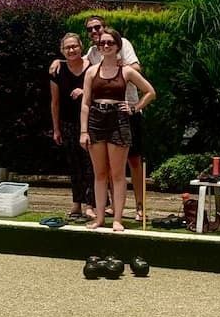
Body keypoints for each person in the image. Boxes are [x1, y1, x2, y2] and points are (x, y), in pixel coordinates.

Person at [51, 15, 148, 220]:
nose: (95, 32)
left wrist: (118, 67)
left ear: (105, 28)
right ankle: (112, 208)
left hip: (126, 110)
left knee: (134, 161)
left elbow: (137, 70)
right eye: (90, 29)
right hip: (102, 116)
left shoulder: (122, 44)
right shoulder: (93, 52)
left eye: (97, 27)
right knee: (108, 167)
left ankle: (140, 207)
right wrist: (58, 61)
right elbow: (79, 63)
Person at [79, 28, 155, 232]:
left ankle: (118, 219)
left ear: (117, 46)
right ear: (98, 47)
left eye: (110, 43)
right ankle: (100, 218)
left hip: (118, 121)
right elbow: (85, 103)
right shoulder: (92, 72)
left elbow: (150, 92)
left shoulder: (126, 71)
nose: (105, 46)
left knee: (118, 173)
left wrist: (135, 107)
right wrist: (83, 131)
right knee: (100, 173)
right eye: (102, 43)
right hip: (96, 119)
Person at [49, 33, 94, 221]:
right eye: (67, 47)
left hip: (91, 123)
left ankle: (91, 205)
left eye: (74, 46)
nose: (71, 50)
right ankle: (77, 203)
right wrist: (56, 128)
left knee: (91, 165)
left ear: (81, 47)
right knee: (74, 165)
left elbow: (100, 91)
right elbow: (55, 102)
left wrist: (84, 91)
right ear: (62, 51)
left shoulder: (92, 67)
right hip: (67, 124)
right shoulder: (57, 70)